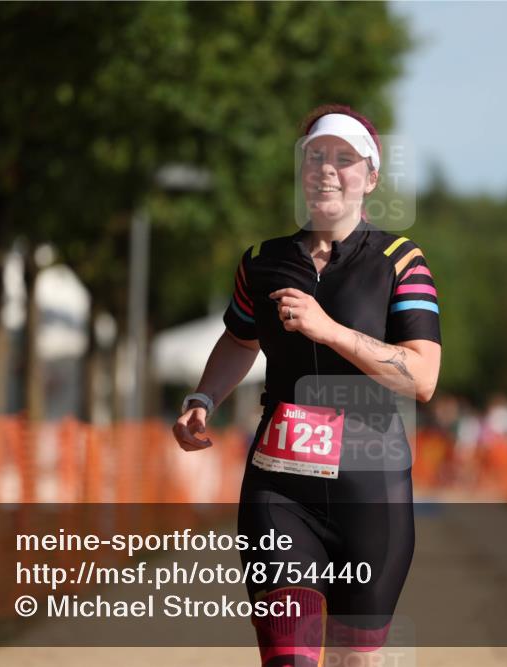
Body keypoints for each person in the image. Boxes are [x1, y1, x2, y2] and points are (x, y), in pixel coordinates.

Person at [172, 104, 442, 666]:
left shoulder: (400, 261)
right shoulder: (262, 262)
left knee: (353, 660)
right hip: (280, 486)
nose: (327, 170)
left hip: (371, 491)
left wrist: (330, 330)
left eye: (344, 160)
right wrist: (204, 397)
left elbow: (421, 377)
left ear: (370, 178)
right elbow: (239, 340)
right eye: (316, 157)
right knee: (287, 659)